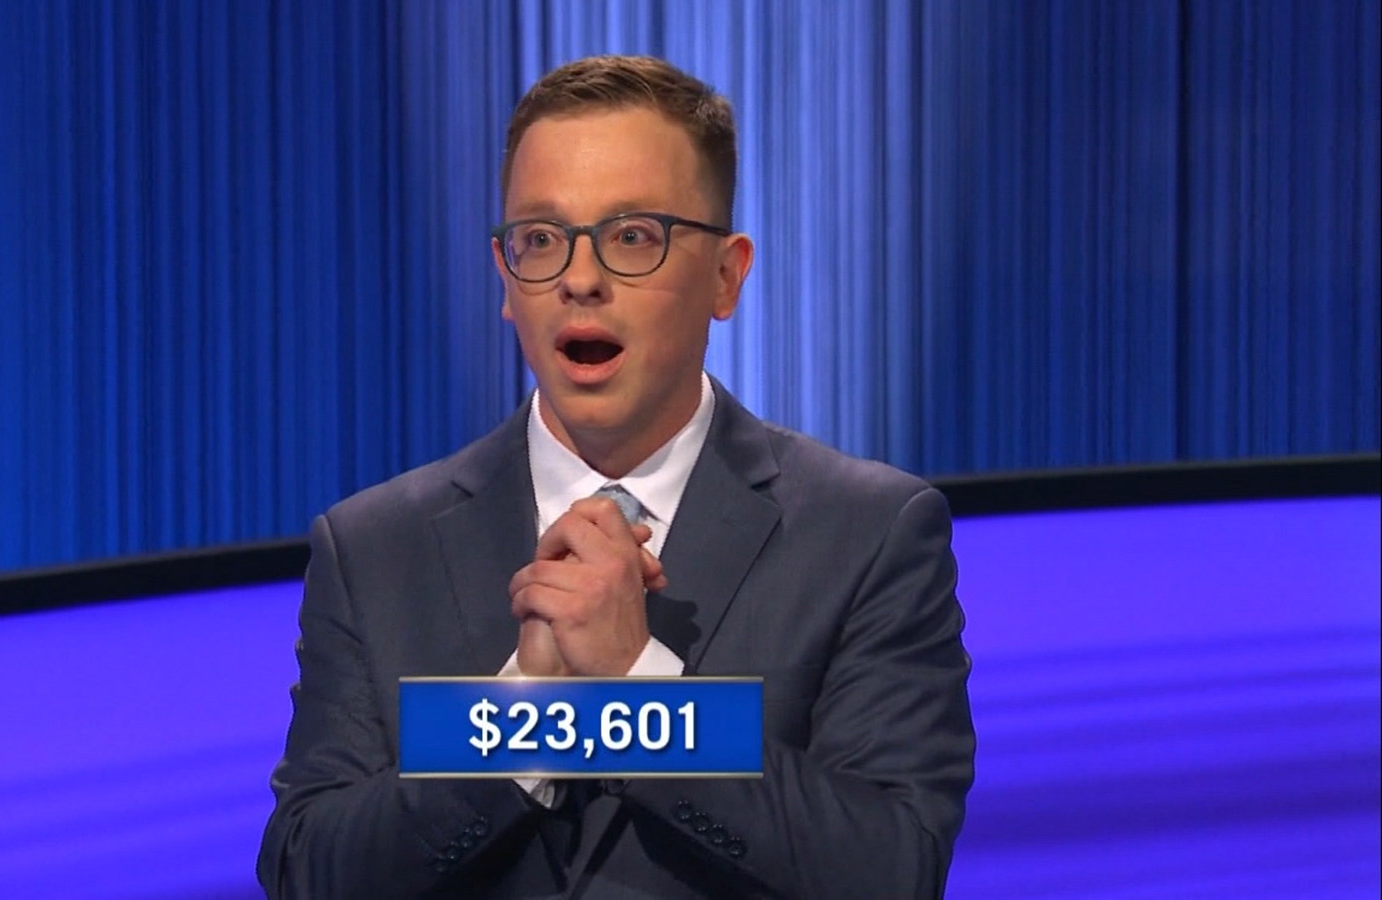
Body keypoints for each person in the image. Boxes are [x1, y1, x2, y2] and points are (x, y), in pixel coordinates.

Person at [257, 54, 975, 899]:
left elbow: (891, 868)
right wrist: (524, 714)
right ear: (505, 278)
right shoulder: (374, 548)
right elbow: (307, 869)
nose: (580, 279)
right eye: (540, 239)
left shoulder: (869, 534)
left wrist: (637, 685)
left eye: (633, 236)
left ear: (726, 276)